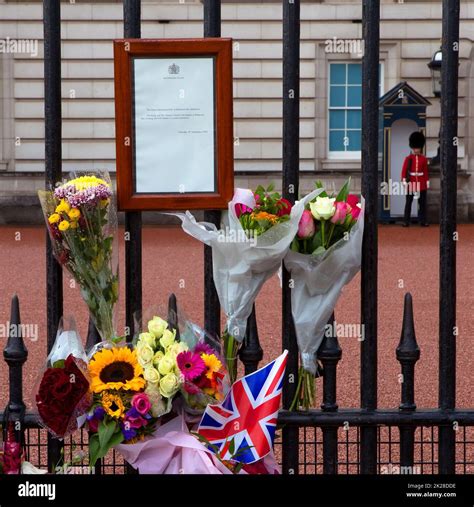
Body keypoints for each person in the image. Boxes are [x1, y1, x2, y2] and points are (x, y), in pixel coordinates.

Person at [401, 131, 430, 227]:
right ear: (412, 147)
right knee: (408, 203)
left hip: (421, 183)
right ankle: (406, 221)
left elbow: (425, 171)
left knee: (422, 204)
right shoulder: (408, 158)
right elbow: (404, 170)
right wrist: (404, 180)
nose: (416, 150)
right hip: (411, 183)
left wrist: (427, 181)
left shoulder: (424, 159)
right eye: (415, 148)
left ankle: (423, 220)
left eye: (418, 147)